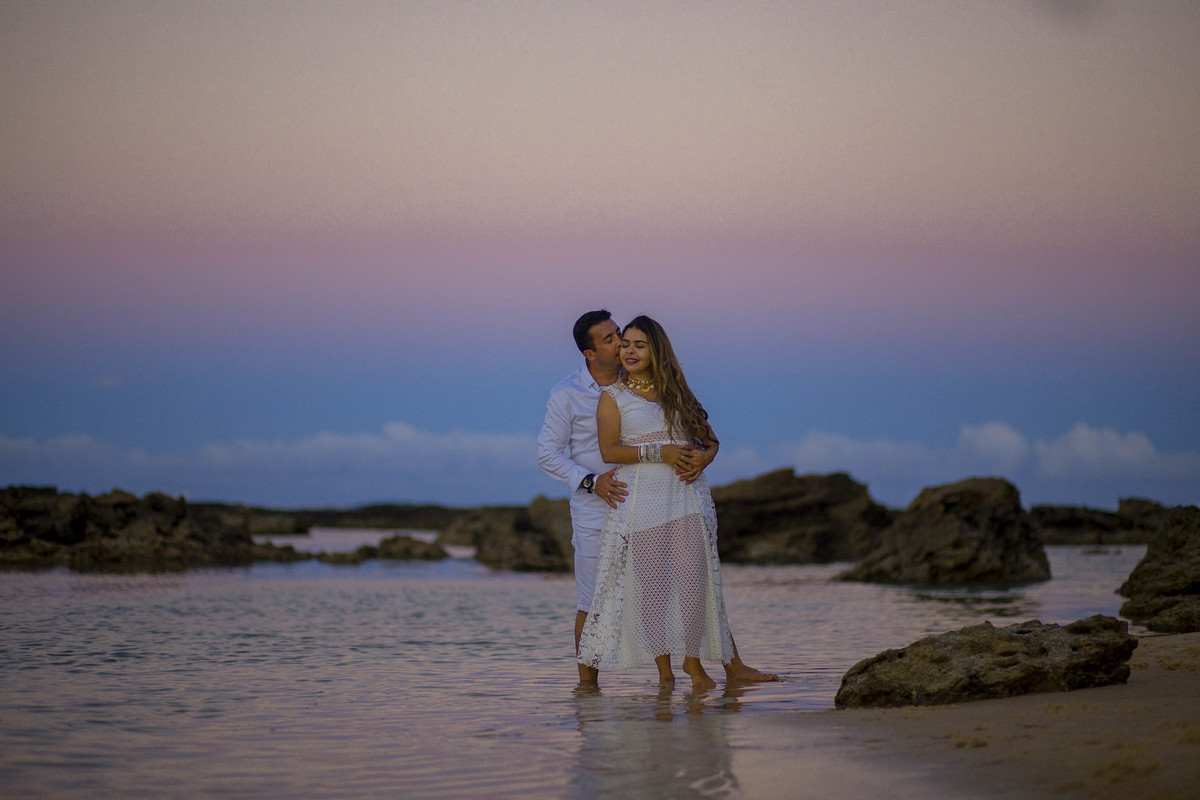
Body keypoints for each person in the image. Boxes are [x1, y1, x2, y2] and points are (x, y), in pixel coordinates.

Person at [539, 311, 775, 691]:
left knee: (693, 581)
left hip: (661, 495)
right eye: (611, 340)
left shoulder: (653, 379)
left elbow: (701, 434)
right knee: (595, 597)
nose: (621, 344)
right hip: (597, 503)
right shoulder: (567, 393)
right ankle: (588, 689)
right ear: (589, 353)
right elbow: (547, 453)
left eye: (621, 335)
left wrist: (704, 456)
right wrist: (591, 482)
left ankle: (724, 667)